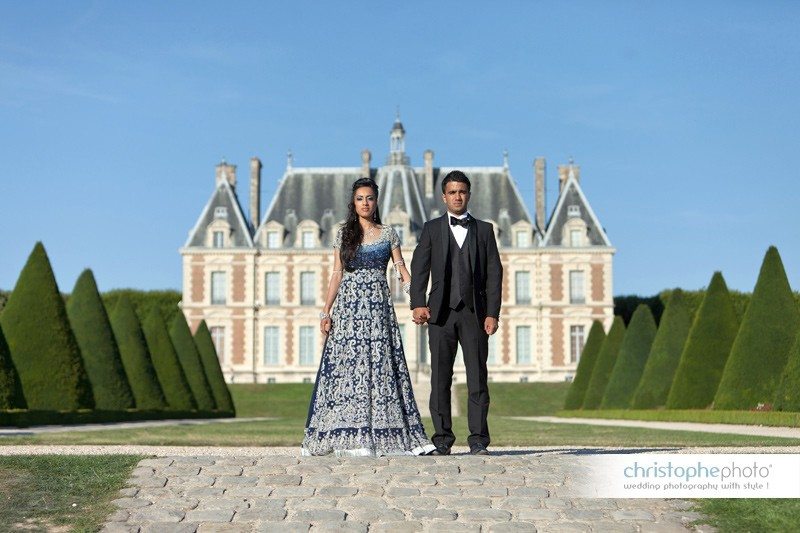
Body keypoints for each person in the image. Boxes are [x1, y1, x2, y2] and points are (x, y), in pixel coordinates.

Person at [302, 177, 436, 457]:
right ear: (354, 202)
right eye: (360, 198)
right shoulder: (343, 234)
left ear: (376, 202)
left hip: (378, 308)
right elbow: (336, 274)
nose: (365, 203)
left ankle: (383, 434)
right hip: (349, 309)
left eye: (370, 198)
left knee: (381, 366)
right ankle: (347, 435)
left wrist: (418, 302)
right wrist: (326, 311)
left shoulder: (388, 234)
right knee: (348, 368)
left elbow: (401, 271)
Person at [410, 170, 503, 456]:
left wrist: (492, 313)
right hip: (440, 314)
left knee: (477, 378)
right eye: (452, 192)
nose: (457, 196)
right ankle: (442, 439)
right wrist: (417, 303)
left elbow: (494, 274)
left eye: (462, 191)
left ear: (469, 195)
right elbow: (419, 268)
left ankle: (478, 440)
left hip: (474, 314)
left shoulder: (485, 230)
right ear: (444, 197)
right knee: (440, 380)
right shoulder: (431, 228)